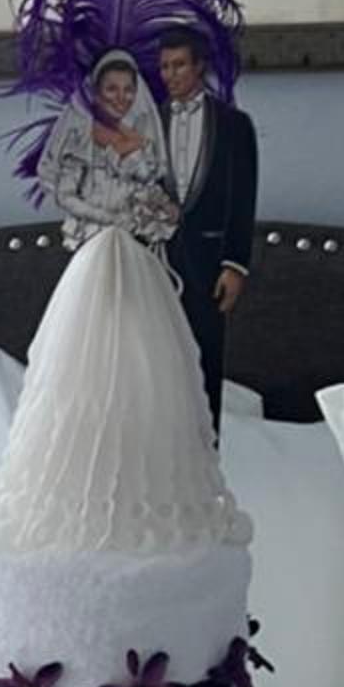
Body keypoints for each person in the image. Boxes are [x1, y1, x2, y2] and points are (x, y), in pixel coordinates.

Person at [155, 25, 257, 426]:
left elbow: (243, 197)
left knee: (206, 358)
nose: (170, 74)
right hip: (157, 260)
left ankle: (207, 445)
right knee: (157, 358)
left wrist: (235, 264)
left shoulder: (233, 124)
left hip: (210, 261)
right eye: (164, 66)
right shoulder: (146, 123)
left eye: (179, 65)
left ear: (199, 66)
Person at [37, 52, 177, 252]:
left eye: (128, 90)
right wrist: (110, 219)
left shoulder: (139, 139)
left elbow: (145, 186)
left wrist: (160, 209)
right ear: (96, 92)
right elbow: (66, 197)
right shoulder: (82, 138)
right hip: (92, 240)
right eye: (112, 89)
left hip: (133, 242)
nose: (121, 98)